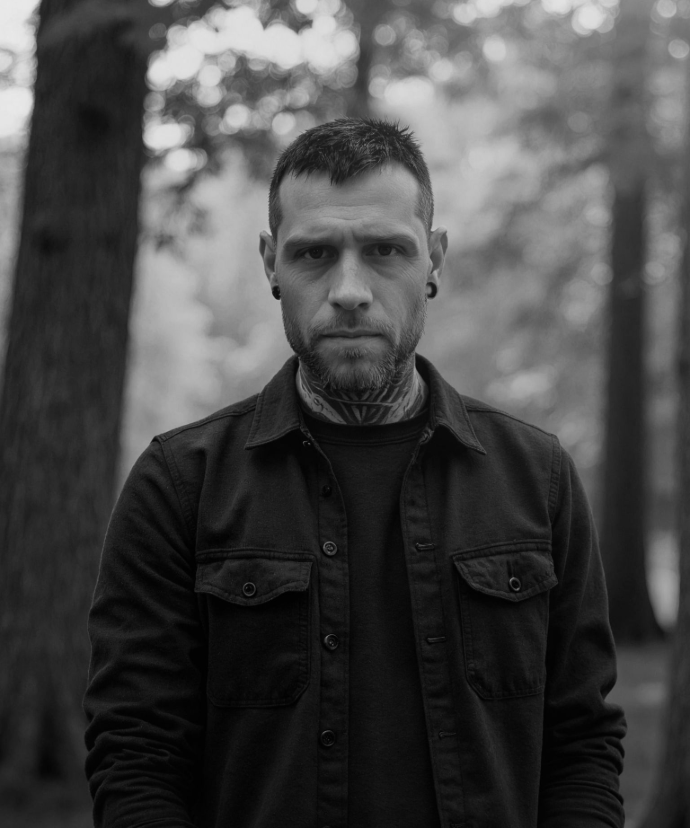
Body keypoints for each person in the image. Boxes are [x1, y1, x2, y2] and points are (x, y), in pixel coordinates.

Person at [84, 117, 626, 828]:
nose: (349, 289)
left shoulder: (537, 477)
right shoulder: (178, 484)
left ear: (432, 259)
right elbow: (137, 756)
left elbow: (583, 744)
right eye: (314, 253)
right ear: (271, 262)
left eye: (384, 251)